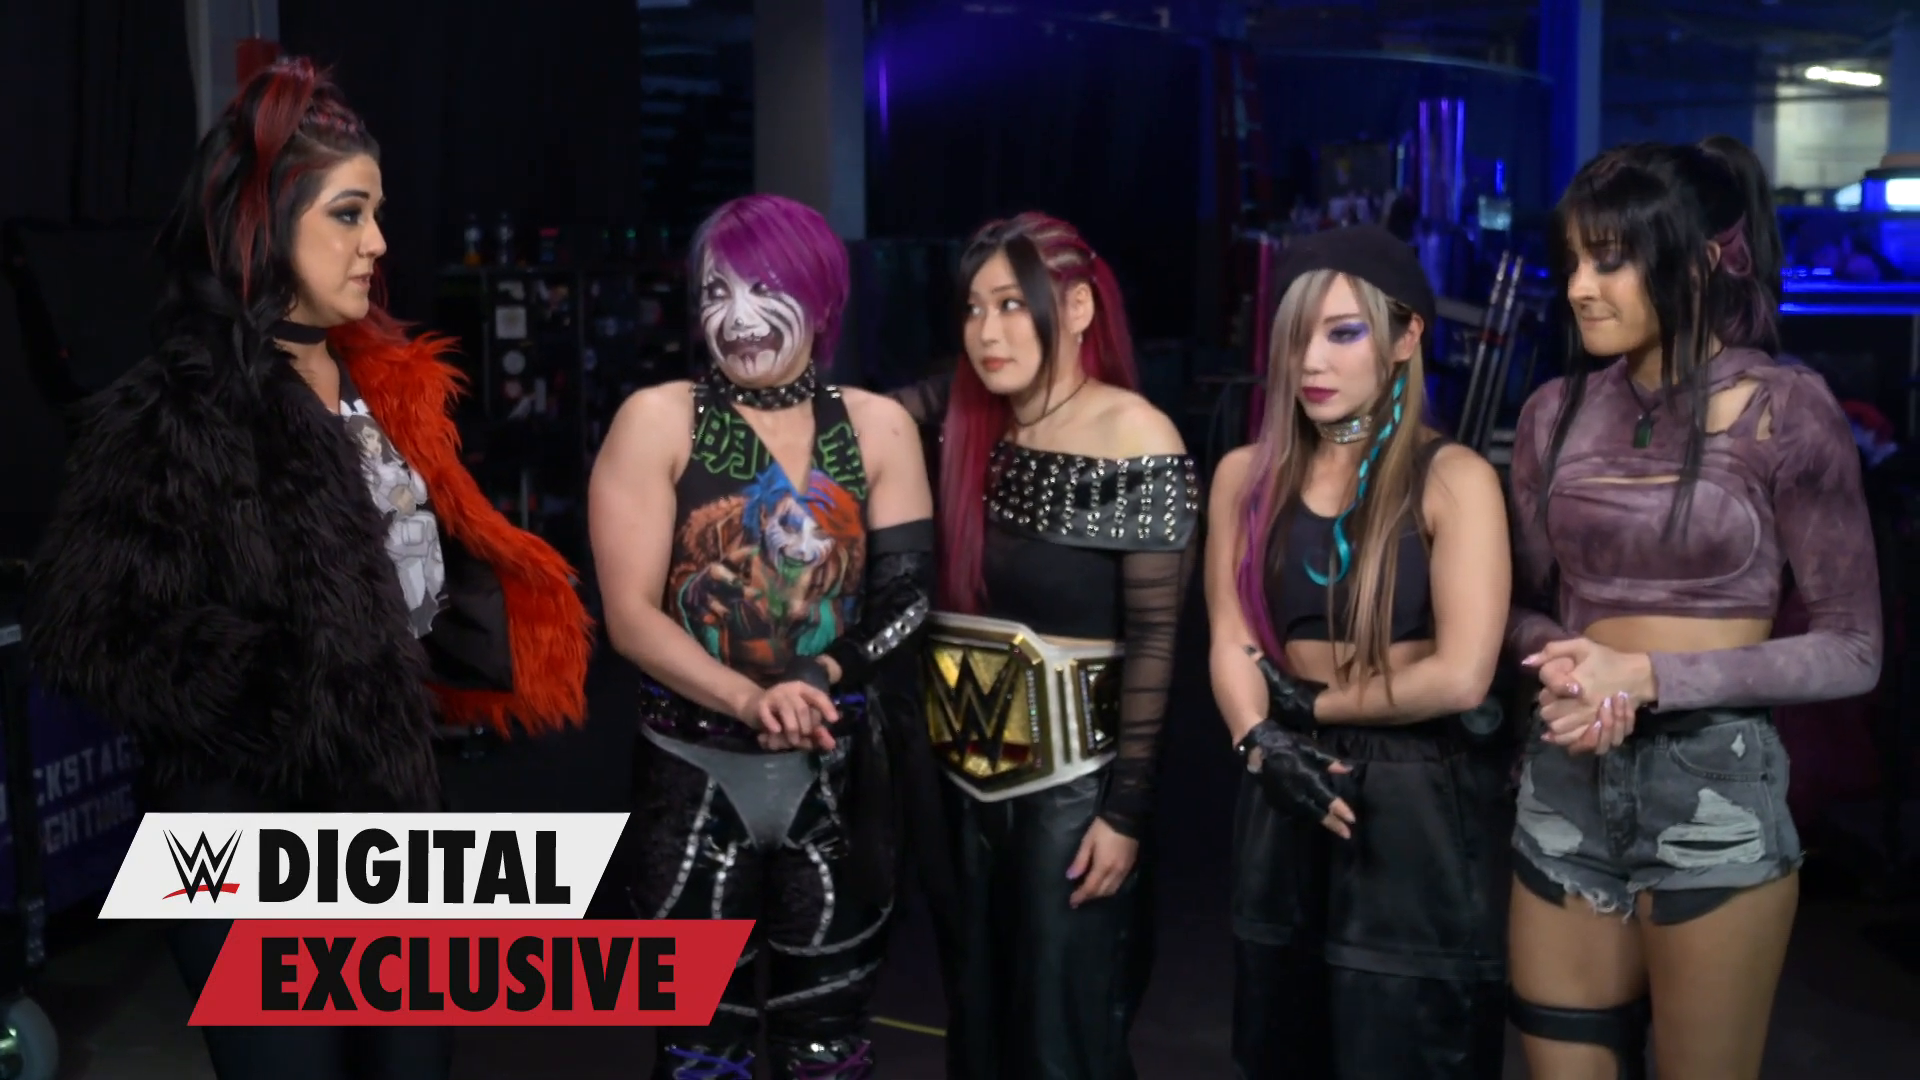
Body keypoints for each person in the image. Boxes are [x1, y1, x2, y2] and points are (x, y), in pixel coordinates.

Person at [21, 58, 593, 1080]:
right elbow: (86, 626)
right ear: (266, 223)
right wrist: (289, 694)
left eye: (378, 215)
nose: (377, 242)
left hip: (390, 811)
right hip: (237, 829)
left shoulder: (388, 384)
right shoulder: (181, 404)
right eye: (348, 214)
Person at [1506, 137, 1882, 1080]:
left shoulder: (1786, 411)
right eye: (1573, 261)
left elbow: (1853, 647)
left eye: (1611, 260)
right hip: (1566, 779)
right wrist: (1562, 658)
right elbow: (1515, 606)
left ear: (1703, 260)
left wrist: (1647, 677)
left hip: (1713, 786)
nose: (1580, 287)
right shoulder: (1554, 412)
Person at [589, 193, 934, 1080]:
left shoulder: (878, 426)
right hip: (692, 778)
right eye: (716, 291)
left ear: (822, 298)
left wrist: (820, 673)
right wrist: (750, 698)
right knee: (699, 1053)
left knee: (829, 1048)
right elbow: (630, 616)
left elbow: (906, 598)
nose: (737, 316)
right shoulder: (658, 420)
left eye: (765, 288)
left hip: (837, 785)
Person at [889, 212, 1200, 1080]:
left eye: (1011, 305)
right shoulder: (958, 419)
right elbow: (851, 419)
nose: (987, 332)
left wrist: (1124, 814)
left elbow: (1157, 643)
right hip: (961, 792)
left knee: (1064, 1044)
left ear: (1077, 307)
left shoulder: (1137, 435)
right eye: (973, 307)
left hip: (1072, 793)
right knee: (980, 1034)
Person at [1204, 225, 1515, 1079]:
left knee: (1407, 1046)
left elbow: (1462, 676)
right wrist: (1260, 742)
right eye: (1296, 335)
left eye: (1343, 333)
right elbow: (1229, 640)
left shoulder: (1453, 478)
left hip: (1413, 797)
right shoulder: (1243, 477)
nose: (1312, 360)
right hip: (1281, 783)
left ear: (1406, 336)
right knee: (1280, 1040)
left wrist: (1315, 707)